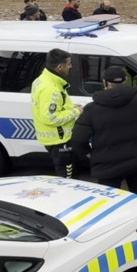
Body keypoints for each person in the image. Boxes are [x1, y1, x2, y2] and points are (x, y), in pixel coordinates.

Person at [71, 66, 137, 199]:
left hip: (107, 164)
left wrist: (88, 154)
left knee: (109, 200)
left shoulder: (92, 108)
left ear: (104, 83)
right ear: (125, 80)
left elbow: (78, 138)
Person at [31, 48, 83, 178]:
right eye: (69, 64)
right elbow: (51, 117)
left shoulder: (43, 79)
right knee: (67, 177)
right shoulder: (51, 89)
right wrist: (75, 111)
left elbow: (54, 105)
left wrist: (70, 107)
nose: (71, 66)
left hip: (54, 138)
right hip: (59, 140)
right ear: (60, 67)